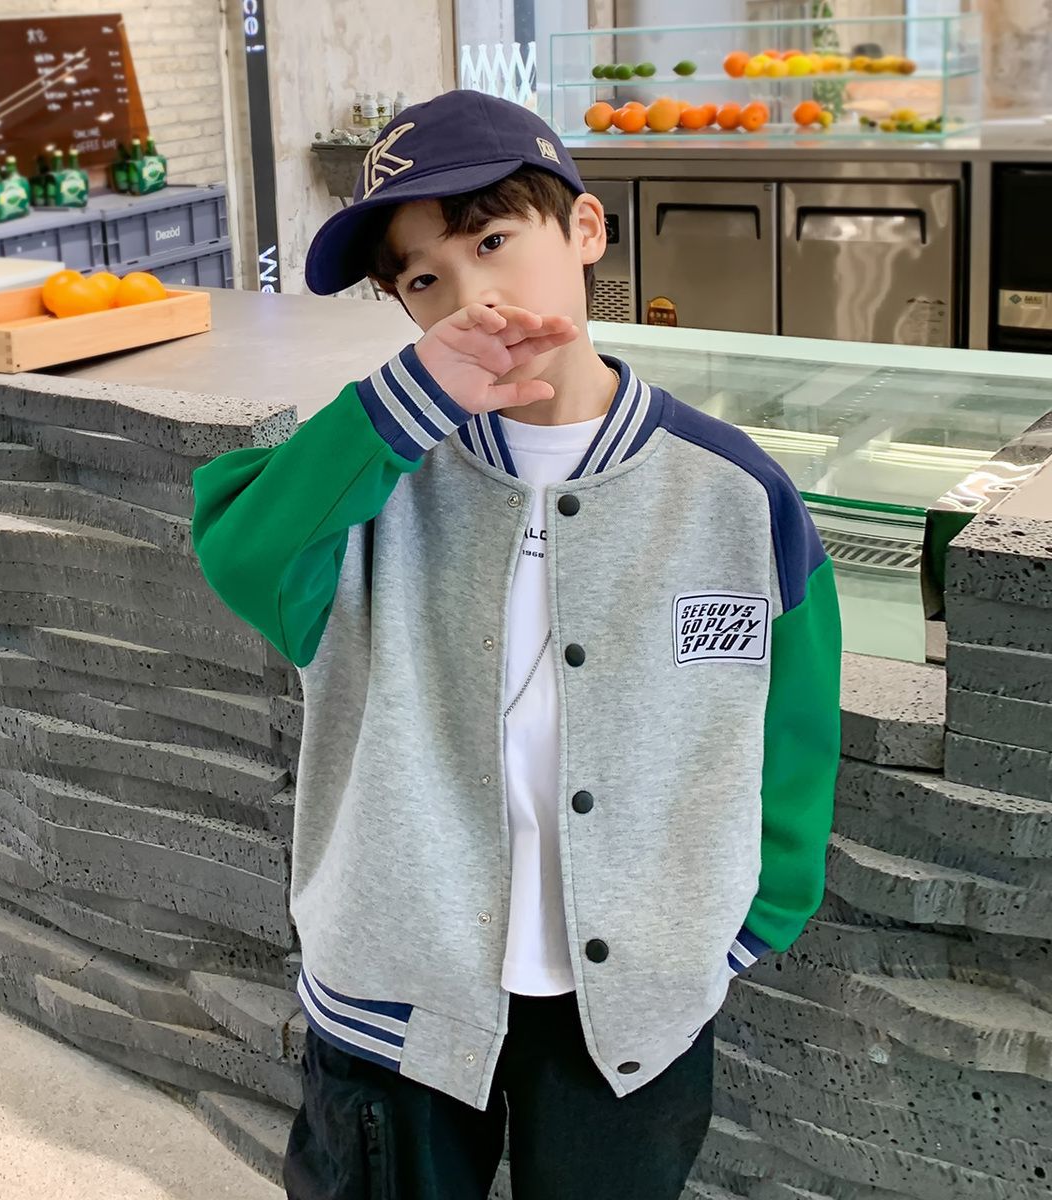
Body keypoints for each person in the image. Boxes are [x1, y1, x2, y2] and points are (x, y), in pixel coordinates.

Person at [191, 88, 842, 1200]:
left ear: (585, 229)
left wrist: (738, 929)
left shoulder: (734, 494)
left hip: (634, 1009)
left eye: (494, 241)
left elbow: (794, 731)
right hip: (396, 997)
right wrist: (401, 406)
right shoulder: (368, 478)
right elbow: (242, 556)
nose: (471, 297)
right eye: (423, 280)